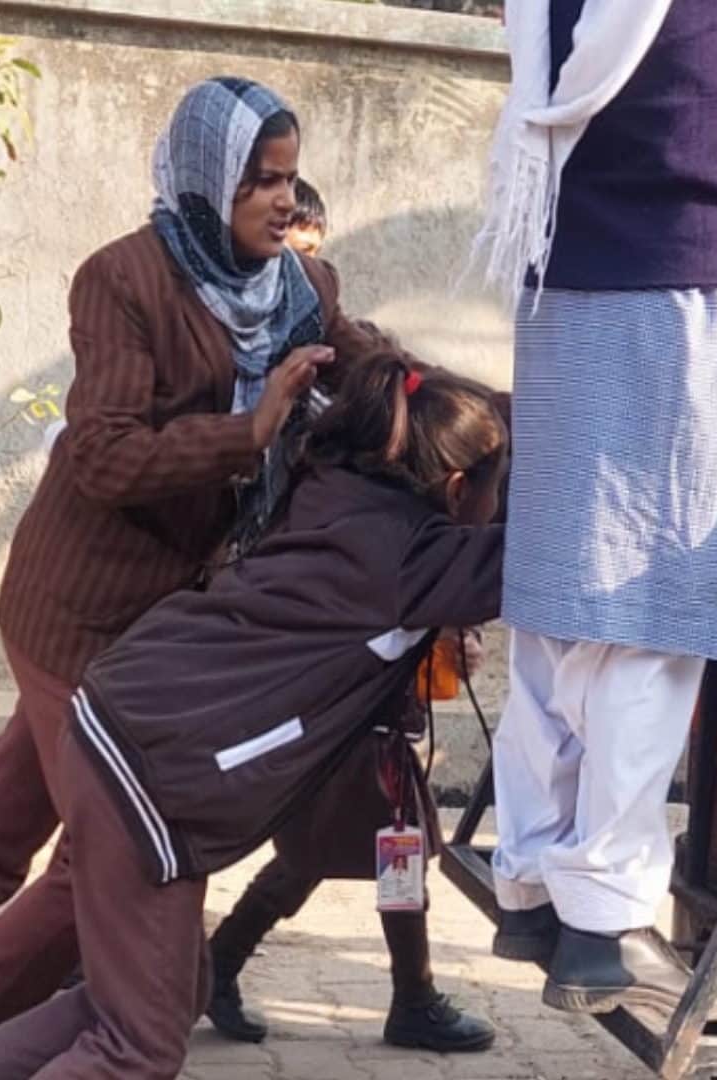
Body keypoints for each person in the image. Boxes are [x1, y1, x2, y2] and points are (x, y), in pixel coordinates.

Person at [0, 76, 375, 1080]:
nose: (283, 200)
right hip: (75, 610)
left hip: (167, 628)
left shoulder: (304, 291)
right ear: (206, 181)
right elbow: (104, 454)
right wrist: (245, 433)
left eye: (290, 180)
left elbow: (367, 376)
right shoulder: (124, 280)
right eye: (260, 181)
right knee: (103, 861)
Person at [0, 354, 509, 1080]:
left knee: (157, 996)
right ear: (456, 490)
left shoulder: (338, 487)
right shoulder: (411, 562)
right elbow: (556, 563)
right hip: (154, 772)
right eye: (496, 489)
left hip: (126, 726)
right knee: (138, 1048)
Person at [475, 0, 717, 1016]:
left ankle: (532, 884)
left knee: (560, 603)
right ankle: (604, 924)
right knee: (649, 615)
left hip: (563, 269)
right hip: (684, 274)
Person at [202, 178, 496, 1054]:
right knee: (352, 853)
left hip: (355, 724)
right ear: (448, 480)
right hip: (344, 725)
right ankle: (399, 996)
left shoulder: (350, 488)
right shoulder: (387, 536)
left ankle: (240, 967)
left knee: (338, 854)